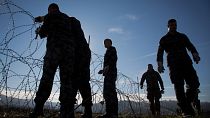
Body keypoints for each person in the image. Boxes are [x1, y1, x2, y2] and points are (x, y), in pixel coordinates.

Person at [30, 3, 76, 118]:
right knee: (66, 81)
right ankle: (66, 112)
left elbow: (44, 32)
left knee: (47, 78)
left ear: (50, 9)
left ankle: (38, 108)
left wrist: (39, 31)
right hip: (69, 53)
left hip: (54, 51)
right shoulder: (66, 17)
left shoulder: (50, 15)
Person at [157, 19, 201, 117]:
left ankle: (186, 104)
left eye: (175, 25)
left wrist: (195, 55)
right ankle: (186, 111)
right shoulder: (164, 39)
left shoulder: (182, 36)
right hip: (174, 65)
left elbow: (190, 46)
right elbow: (160, 52)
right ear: (168, 26)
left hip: (186, 63)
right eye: (171, 25)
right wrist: (160, 65)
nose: (173, 27)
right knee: (179, 87)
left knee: (194, 83)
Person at [69, 16, 93, 118]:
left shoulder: (74, 39)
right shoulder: (84, 43)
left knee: (71, 90)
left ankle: (69, 112)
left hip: (76, 70)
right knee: (85, 90)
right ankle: (88, 113)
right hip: (84, 72)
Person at [98, 39, 118, 118]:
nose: (104, 44)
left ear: (110, 43)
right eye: (104, 43)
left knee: (111, 93)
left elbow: (113, 60)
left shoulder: (112, 49)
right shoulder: (107, 51)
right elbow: (108, 63)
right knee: (107, 93)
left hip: (111, 73)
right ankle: (108, 113)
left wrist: (106, 68)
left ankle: (113, 113)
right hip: (107, 74)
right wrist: (103, 70)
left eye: (106, 42)